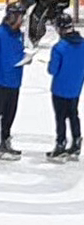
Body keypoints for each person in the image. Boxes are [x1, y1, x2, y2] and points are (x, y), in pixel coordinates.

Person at [0, 2, 26, 162]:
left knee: (10, 113)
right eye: (20, 16)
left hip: (14, 82)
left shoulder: (19, 35)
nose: (22, 20)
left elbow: (18, 54)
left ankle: (5, 141)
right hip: (1, 82)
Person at [47, 12, 84, 160]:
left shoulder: (59, 48)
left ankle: (60, 144)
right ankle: (76, 141)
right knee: (73, 114)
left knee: (61, 117)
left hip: (60, 88)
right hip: (75, 88)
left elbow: (52, 70)